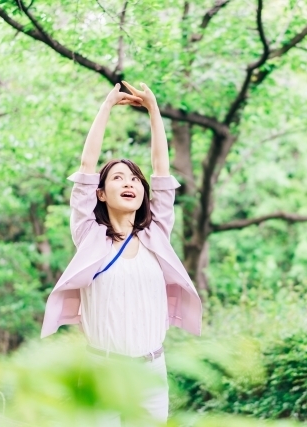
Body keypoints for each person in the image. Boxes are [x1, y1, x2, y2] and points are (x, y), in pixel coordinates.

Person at [40, 81, 203, 425]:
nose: (129, 183)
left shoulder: (156, 234)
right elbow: (86, 168)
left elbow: (162, 171)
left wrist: (154, 111)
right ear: (100, 194)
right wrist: (107, 106)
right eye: (118, 178)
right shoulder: (89, 236)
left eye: (134, 179)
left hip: (151, 372)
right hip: (103, 370)